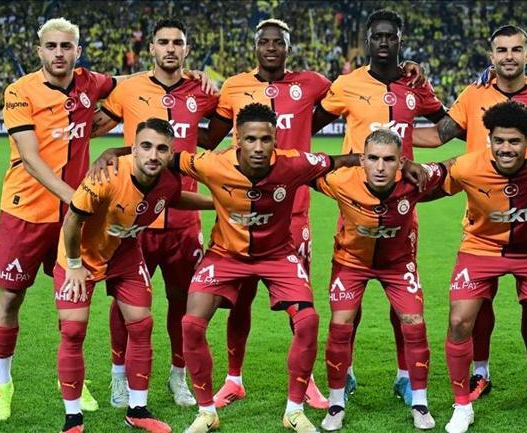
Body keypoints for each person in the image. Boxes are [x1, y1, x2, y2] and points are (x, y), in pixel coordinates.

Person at [197, 17, 428, 409]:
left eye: (279, 42)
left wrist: (405, 70)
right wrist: (193, 85)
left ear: (289, 48)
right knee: (241, 297)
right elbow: (209, 136)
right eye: (265, 41)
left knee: (300, 304)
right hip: (242, 209)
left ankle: (306, 382)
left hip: (294, 211)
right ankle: (233, 378)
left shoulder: (314, 83)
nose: (271, 48)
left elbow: (358, 90)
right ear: (255, 46)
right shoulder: (234, 86)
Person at [178, 103, 424, 433]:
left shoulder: (293, 163)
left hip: (278, 255)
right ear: (237, 138)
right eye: (250, 139)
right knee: (191, 324)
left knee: (308, 321)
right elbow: (166, 159)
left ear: (275, 140)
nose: (258, 147)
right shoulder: (211, 163)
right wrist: (118, 154)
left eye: (266, 139)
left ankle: (294, 410)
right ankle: (206, 412)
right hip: (225, 255)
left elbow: (337, 161)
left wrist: (398, 164)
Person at [413, 24, 527, 404]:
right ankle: (480, 371)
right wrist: (389, 135)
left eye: (516, 49)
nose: (509, 56)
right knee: (477, 304)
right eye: (501, 50)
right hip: (482, 215)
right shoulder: (474, 94)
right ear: (491, 56)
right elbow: (439, 136)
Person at [312, 9, 446, 402]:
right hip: (355, 202)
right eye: (378, 36)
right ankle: (346, 371)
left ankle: (405, 375)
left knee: (400, 299)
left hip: (402, 205)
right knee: (348, 303)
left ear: (400, 40)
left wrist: (415, 147)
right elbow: (308, 124)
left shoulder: (415, 84)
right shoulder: (347, 84)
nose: (384, 42)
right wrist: (340, 163)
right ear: (367, 41)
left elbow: (444, 128)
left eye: (391, 36)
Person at [0, 17, 118, 420]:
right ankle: (2, 383)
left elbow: (130, 87)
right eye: (51, 46)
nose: (59, 53)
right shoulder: (19, 91)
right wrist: (77, 199)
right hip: (25, 211)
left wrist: (182, 75)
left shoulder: (89, 83)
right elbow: (30, 158)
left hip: (71, 219)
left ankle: (74, 380)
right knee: (12, 296)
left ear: (78, 51)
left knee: (73, 301)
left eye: (66, 46)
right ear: (39, 50)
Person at [87, 17, 218, 408]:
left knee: (183, 301)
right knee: (124, 303)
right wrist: (111, 150)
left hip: (183, 219)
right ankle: (119, 377)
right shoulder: (130, 88)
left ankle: (178, 376)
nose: (171, 49)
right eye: (164, 42)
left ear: (187, 49)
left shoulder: (202, 90)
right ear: (152, 48)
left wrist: (213, 81)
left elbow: (226, 118)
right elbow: (91, 126)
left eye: (178, 42)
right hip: (134, 219)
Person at [54, 118, 213, 433]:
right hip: (79, 257)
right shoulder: (106, 176)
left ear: (170, 153)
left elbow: (174, 198)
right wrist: (73, 264)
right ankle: (73, 419)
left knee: (141, 325)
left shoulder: (168, 180)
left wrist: (217, 204)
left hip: (124, 253)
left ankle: (137, 410)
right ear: (134, 148)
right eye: (146, 146)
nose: (153, 155)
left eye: (162, 149)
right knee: (72, 331)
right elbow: (72, 220)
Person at [435, 101, 527, 433]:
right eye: (499, 140)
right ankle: (462, 406)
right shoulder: (467, 166)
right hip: (479, 248)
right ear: (489, 139)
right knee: (459, 321)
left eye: (514, 141)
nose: (506, 148)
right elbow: (431, 183)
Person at [315, 129, 445, 431]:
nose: (380, 167)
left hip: (398, 266)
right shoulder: (340, 181)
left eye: (389, 159)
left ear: (401, 162)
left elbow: (454, 170)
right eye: (373, 158)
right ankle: (336, 403)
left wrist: (420, 167)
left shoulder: (415, 181)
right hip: (351, 263)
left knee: (414, 321)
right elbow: (303, 172)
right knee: (340, 324)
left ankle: (420, 402)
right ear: (362, 160)